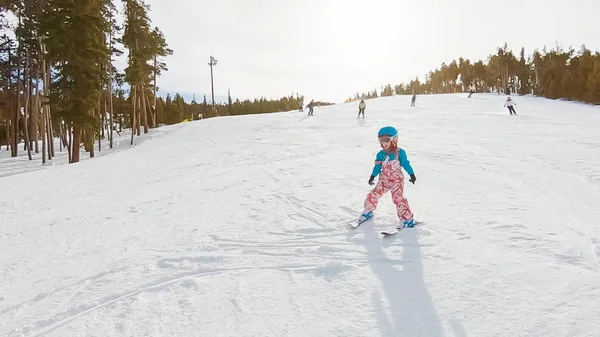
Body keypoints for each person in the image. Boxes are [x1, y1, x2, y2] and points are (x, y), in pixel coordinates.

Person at [358, 126, 417, 229]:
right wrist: (372, 176)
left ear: (394, 140)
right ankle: (368, 211)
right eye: (381, 140)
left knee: (397, 198)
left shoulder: (400, 153)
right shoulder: (380, 154)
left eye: (387, 140)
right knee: (374, 193)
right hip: (384, 179)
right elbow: (377, 167)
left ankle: (407, 219)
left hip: (396, 180)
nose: (384, 143)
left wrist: (412, 174)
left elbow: (406, 164)